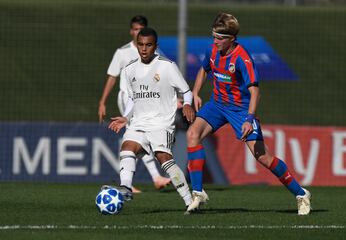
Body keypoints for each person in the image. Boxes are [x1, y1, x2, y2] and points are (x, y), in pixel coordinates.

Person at [185, 12, 311, 215]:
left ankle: (301, 194)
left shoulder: (242, 58)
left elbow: (255, 91)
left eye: (219, 37)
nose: (214, 41)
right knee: (193, 134)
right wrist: (196, 92)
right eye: (213, 35)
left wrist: (249, 119)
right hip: (217, 105)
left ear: (231, 39)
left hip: (241, 111)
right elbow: (204, 69)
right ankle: (198, 192)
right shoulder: (213, 50)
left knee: (263, 158)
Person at [107, 27, 196, 211]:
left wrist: (187, 105)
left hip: (162, 123)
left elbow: (186, 91)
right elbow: (132, 99)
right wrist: (126, 117)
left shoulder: (167, 66)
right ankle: (125, 188)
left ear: (156, 46)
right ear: (137, 45)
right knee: (127, 147)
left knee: (163, 158)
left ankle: (190, 201)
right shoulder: (129, 69)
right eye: (140, 45)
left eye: (148, 45)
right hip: (139, 121)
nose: (144, 49)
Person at [98, 15, 170, 193]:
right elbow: (112, 77)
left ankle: (131, 180)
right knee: (138, 133)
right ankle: (153, 178)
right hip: (128, 98)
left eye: (141, 29)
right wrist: (102, 102)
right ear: (131, 31)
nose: (138, 33)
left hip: (148, 98)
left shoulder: (154, 51)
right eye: (136, 29)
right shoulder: (122, 52)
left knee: (141, 135)